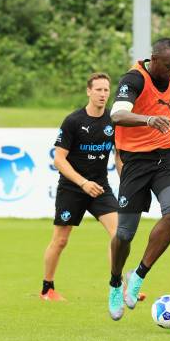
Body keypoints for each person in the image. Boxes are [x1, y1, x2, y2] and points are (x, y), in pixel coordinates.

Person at [107, 38, 170, 321]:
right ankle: (116, 282)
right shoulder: (134, 79)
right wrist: (148, 120)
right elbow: (117, 114)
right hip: (137, 161)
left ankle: (139, 275)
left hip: (169, 158)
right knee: (125, 234)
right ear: (153, 59)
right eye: (168, 65)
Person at [40, 73, 119, 301]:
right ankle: (47, 289)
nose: (103, 94)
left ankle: (118, 287)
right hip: (73, 188)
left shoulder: (113, 121)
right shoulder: (73, 121)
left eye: (106, 90)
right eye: (98, 90)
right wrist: (83, 183)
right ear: (88, 91)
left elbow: (119, 157)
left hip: (100, 187)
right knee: (61, 240)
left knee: (119, 235)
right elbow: (59, 160)